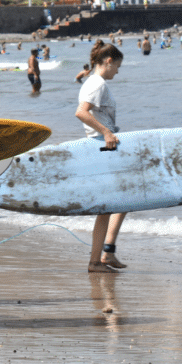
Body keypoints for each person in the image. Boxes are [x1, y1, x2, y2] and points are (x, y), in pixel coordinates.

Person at [76, 43, 128, 273]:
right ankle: (97, 260)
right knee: (110, 205)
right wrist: (106, 132)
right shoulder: (97, 83)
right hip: (102, 148)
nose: (117, 70)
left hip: (104, 148)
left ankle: (106, 253)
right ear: (108, 61)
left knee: (119, 202)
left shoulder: (95, 82)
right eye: (117, 65)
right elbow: (81, 112)